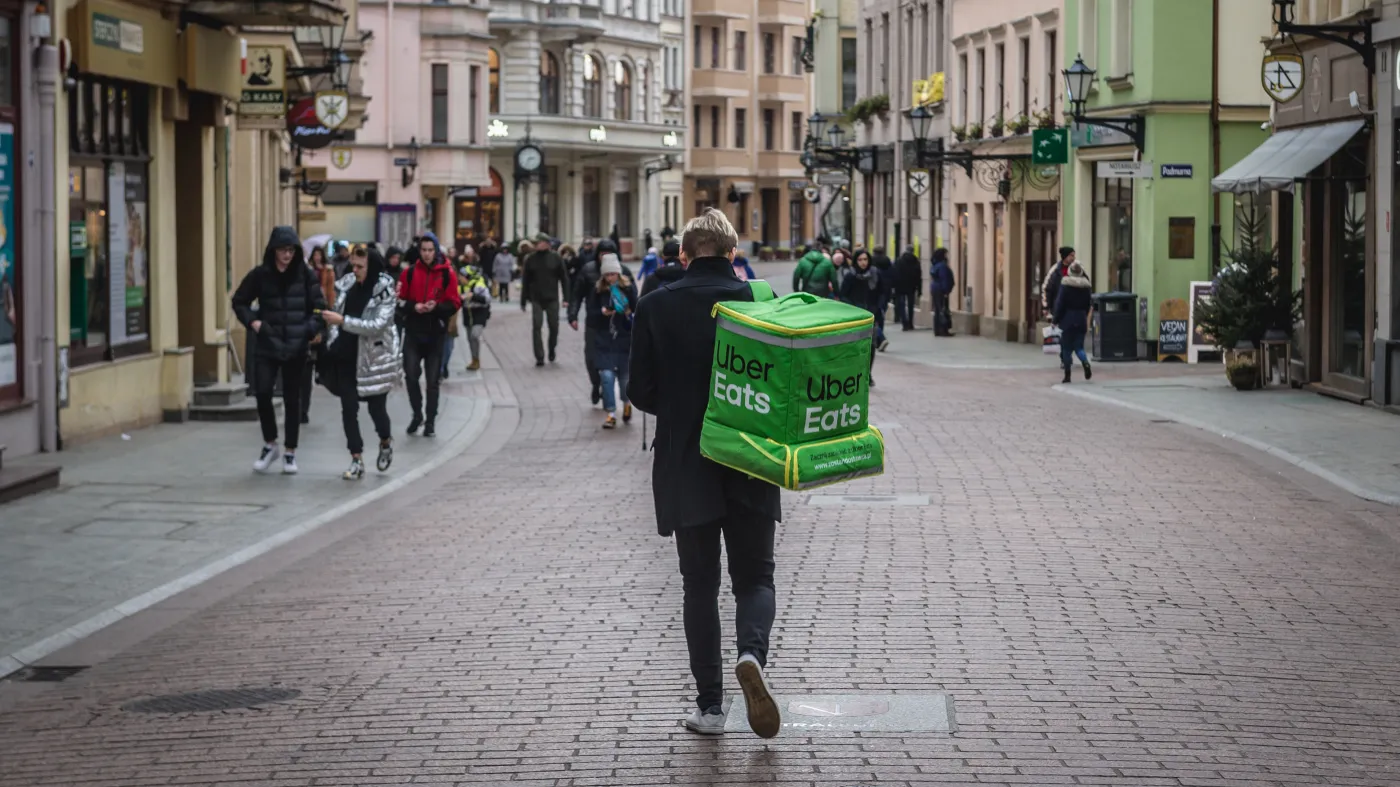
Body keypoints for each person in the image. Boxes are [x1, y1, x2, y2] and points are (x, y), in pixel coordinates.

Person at [628, 207, 783, 739]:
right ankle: (751, 653)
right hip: (750, 456)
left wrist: (679, 404)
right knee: (756, 577)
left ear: (683, 256)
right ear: (734, 254)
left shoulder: (654, 307)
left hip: (685, 460)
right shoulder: (759, 304)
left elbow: (638, 392)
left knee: (699, 585)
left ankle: (711, 708)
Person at [232, 226, 326, 475]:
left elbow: (319, 309)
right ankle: (270, 443)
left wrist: (307, 330)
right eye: (283, 250)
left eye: (291, 250)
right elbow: (239, 300)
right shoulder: (260, 275)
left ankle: (290, 452)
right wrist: (253, 322)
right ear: (273, 250)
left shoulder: (306, 276)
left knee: (292, 400)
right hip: (268, 343)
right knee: (262, 392)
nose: (287, 255)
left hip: (296, 346)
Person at [319, 245, 399, 480]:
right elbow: (335, 312)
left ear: (371, 266)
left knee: (377, 410)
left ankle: (385, 440)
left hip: (372, 361)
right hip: (346, 357)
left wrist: (342, 321)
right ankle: (356, 458)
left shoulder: (384, 290)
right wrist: (333, 336)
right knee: (348, 409)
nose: (355, 270)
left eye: (360, 266)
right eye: (352, 265)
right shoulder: (346, 285)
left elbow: (377, 326)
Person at [397, 232, 461, 437]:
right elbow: (398, 301)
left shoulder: (446, 274)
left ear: (436, 251)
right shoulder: (408, 273)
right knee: (411, 375)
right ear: (419, 251)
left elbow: (455, 303)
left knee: (433, 381)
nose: (426, 254)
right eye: (423, 250)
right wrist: (413, 307)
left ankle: (431, 421)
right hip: (414, 332)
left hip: (435, 333)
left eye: (430, 250)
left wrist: (436, 307)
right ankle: (417, 414)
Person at [570, 238, 634, 400]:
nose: (604, 257)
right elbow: (577, 295)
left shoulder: (624, 272)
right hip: (595, 322)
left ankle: (611, 391)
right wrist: (573, 315)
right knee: (591, 357)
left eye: (608, 254)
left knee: (618, 359)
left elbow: (634, 297)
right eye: (602, 254)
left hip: (619, 325)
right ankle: (596, 383)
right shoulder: (588, 270)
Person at [588, 254, 638, 428]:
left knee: (625, 378)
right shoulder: (597, 291)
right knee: (607, 377)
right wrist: (602, 313)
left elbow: (637, 310)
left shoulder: (628, 288)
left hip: (624, 340)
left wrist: (627, 312)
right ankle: (610, 413)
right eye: (607, 275)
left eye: (613, 274)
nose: (610, 278)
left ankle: (626, 404)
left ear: (618, 273)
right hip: (605, 340)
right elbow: (590, 317)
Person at [521, 233, 569, 366]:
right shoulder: (530, 259)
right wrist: (523, 300)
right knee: (537, 326)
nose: (537, 245)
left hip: (552, 298)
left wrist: (566, 298)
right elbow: (526, 280)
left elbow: (564, 279)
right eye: (536, 243)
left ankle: (552, 349)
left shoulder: (556, 258)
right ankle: (539, 356)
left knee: (554, 326)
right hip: (536, 298)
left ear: (547, 244)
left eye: (540, 242)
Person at [842, 249, 882, 388]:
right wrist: (852, 308)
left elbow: (882, 292)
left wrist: (879, 307)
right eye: (860, 260)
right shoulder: (850, 276)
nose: (863, 263)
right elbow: (843, 295)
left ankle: (868, 374)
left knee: (871, 346)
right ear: (855, 261)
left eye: (865, 259)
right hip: (856, 317)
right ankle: (855, 373)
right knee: (856, 346)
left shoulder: (875, 275)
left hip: (872, 315)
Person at [1052, 260, 1094, 384]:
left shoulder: (1065, 285)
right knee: (1079, 347)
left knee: (1066, 348)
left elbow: (1060, 304)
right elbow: (1088, 305)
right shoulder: (1086, 287)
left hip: (1067, 319)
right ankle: (1085, 363)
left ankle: (1067, 375)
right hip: (1081, 318)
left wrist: (1055, 320)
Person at [459, 260, 491, 371]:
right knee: (469, 338)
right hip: (467, 315)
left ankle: (476, 359)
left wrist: (473, 296)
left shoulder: (479, 285)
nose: (460, 279)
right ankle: (474, 359)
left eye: (462, 276)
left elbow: (487, 299)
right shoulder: (461, 287)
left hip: (479, 314)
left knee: (475, 335)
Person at [892, 245, 922, 332]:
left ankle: (904, 323)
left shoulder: (899, 260)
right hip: (911, 286)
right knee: (910, 305)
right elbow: (919, 276)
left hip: (900, 286)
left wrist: (894, 286)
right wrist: (919, 289)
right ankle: (910, 323)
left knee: (901, 305)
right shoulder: (916, 261)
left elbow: (894, 273)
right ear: (913, 251)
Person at [1042, 246, 1075, 322]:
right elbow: (1047, 288)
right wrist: (1046, 306)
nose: (1073, 258)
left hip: (1072, 309)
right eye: (1071, 255)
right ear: (1065, 256)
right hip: (1058, 309)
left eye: (1074, 255)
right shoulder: (1055, 270)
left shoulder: (1076, 269)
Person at [870, 246, 892, 350]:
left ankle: (880, 338)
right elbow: (893, 275)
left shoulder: (871, 263)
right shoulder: (887, 262)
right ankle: (880, 336)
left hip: (873, 292)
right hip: (885, 291)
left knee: (872, 318)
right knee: (880, 313)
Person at [930, 248, 956, 337]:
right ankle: (943, 329)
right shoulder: (942, 266)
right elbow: (945, 279)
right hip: (941, 289)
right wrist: (946, 291)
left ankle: (937, 329)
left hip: (935, 288)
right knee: (943, 309)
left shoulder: (935, 265)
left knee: (938, 309)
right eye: (946, 254)